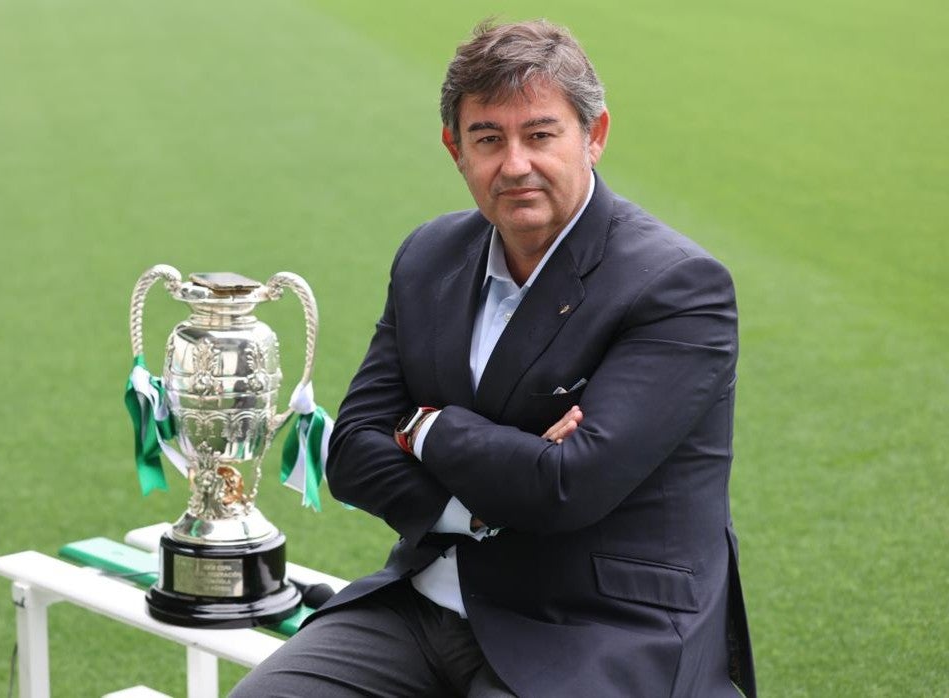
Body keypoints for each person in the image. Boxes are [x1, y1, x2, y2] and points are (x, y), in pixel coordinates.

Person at [232, 18, 755, 698]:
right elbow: (353, 454)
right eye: (488, 138)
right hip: (421, 605)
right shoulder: (429, 256)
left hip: (595, 629)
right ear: (456, 148)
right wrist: (485, 503)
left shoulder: (677, 287)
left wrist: (427, 429)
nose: (515, 164)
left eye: (540, 135)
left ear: (593, 137)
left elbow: (569, 486)